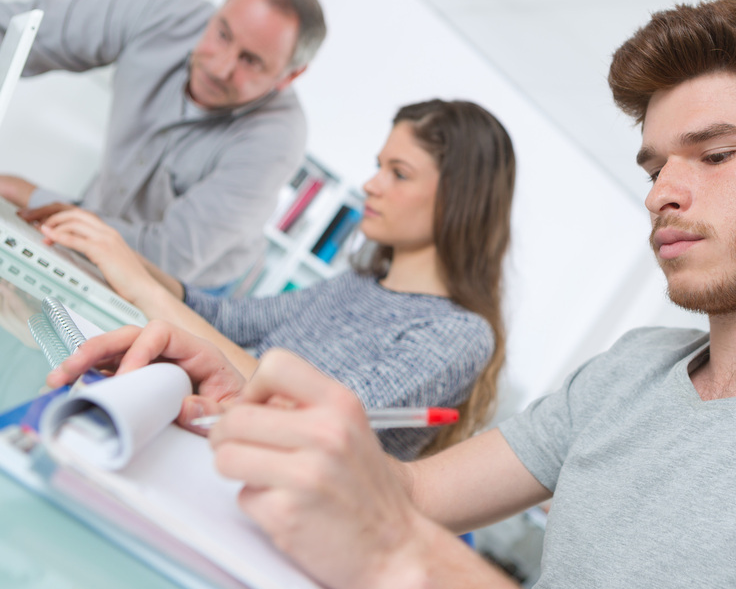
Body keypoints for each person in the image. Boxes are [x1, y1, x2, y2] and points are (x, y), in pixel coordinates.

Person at [50, 0, 736, 588]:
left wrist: (404, 556)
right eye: (656, 163)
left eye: (712, 155)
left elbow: (395, 531)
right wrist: (231, 381)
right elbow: (398, 495)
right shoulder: (632, 371)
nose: (663, 189)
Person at [45, 99, 516, 460]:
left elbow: (300, 413)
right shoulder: (357, 284)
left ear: (459, 199)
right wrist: (125, 256)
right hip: (201, 437)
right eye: (379, 166)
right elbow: (228, 319)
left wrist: (142, 287)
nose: (372, 184)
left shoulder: (459, 335)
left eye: (399, 173)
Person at [0, 0, 326, 292]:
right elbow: (21, 30)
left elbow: (167, 258)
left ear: (289, 76)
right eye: (223, 34)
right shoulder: (161, 13)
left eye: (251, 61)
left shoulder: (277, 139)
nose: (219, 68)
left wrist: (28, 194)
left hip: (189, 283)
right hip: (98, 216)